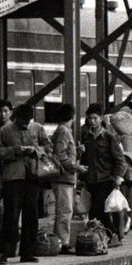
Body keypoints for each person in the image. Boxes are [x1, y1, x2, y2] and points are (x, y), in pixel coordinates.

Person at [0, 104, 50, 264]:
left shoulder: (38, 129)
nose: (25, 124)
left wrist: (36, 150)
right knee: (10, 216)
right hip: (13, 178)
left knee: (31, 216)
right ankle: (5, 252)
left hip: (33, 177)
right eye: (22, 122)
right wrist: (13, 151)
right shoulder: (5, 130)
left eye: (28, 121)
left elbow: (48, 147)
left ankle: (27, 252)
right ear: (15, 118)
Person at [78, 104, 127, 237]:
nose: (92, 121)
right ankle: (105, 235)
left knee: (98, 209)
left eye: (95, 118)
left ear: (101, 119)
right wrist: (79, 152)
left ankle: (109, 234)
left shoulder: (108, 137)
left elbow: (119, 159)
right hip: (90, 180)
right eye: (89, 118)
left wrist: (118, 177)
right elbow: (81, 159)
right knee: (95, 211)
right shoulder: (85, 137)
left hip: (106, 179)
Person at [49, 103, 82, 253]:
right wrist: (76, 167)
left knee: (65, 210)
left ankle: (61, 241)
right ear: (72, 117)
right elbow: (60, 155)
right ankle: (62, 242)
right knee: (65, 210)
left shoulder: (63, 130)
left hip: (65, 178)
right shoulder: (64, 131)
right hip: (63, 178)